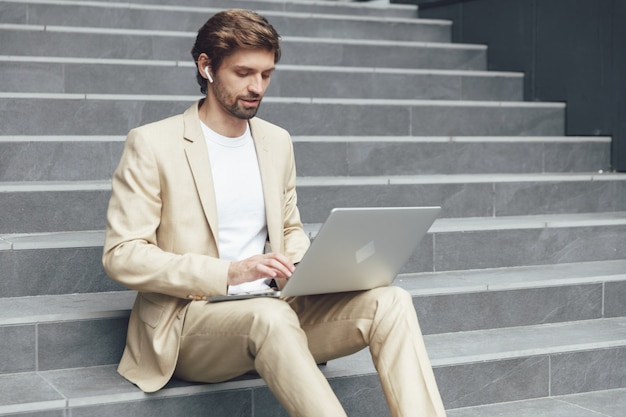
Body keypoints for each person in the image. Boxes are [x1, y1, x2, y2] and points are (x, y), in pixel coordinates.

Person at [102, 8, 446, 417]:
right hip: (192, 323)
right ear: (206, 67)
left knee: (391, 301)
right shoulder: (153, 144)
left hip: (276, 304)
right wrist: (230, 273)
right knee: (269, 316)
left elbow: (288, 226)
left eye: (266, 74)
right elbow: (122, 255)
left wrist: (302, 260)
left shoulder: (275, 141)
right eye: (244, 73)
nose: (257, 87)